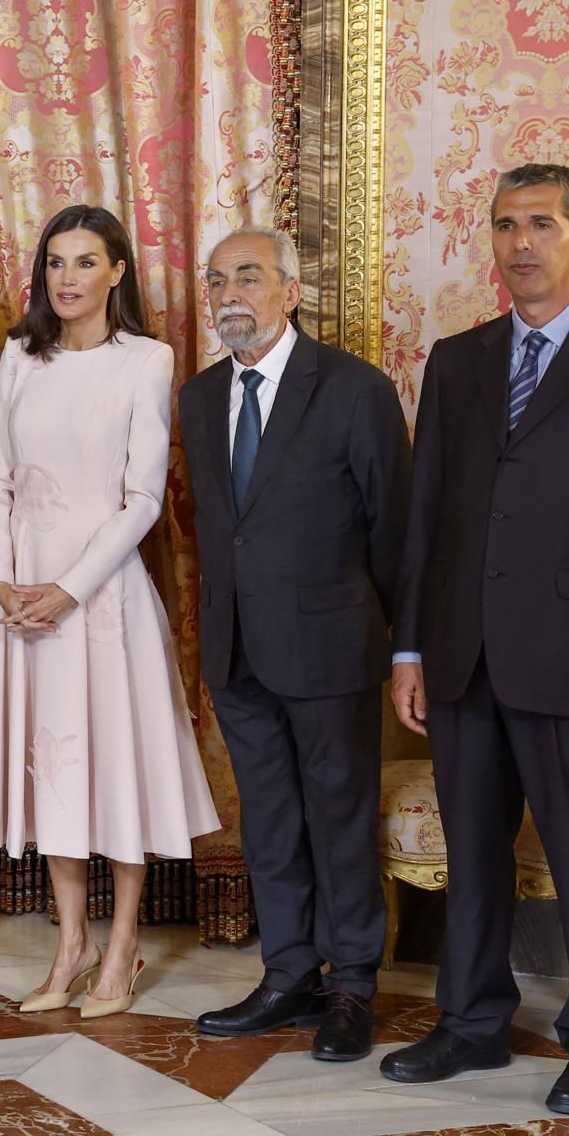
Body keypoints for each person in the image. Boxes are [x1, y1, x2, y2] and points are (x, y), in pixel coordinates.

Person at [382, 163, 569, 1116]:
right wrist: (408, 650)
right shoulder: (459, 360)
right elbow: (426, 518)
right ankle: (472, 1023)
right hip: (463, 655)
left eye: (543, 225)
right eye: (507, 224)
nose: (522, 242)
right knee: (473, 857)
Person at [0, 205, 220, 1018]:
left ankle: (121, 949)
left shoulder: (146, 360)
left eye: (85, 263)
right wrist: (4, 582)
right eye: (55, 263)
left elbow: (143, 498)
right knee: (53, 778)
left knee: (115, 769)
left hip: (99, 600)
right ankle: (68, 945)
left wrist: (68, 588)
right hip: (22, 599)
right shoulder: (18, 356)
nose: (66, 279)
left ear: (117, 273)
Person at [177, 227, 411, 1060]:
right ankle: (287, 976)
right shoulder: (200, 397)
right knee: (269, 821)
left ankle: (350, 983)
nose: (229, 294)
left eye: (248, 276)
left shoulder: (353, 390)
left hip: (330, 648)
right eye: (216, 281)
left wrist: (404, 649)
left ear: (291, 291)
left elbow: (395, 534)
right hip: (237, 651)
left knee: (338, 816)